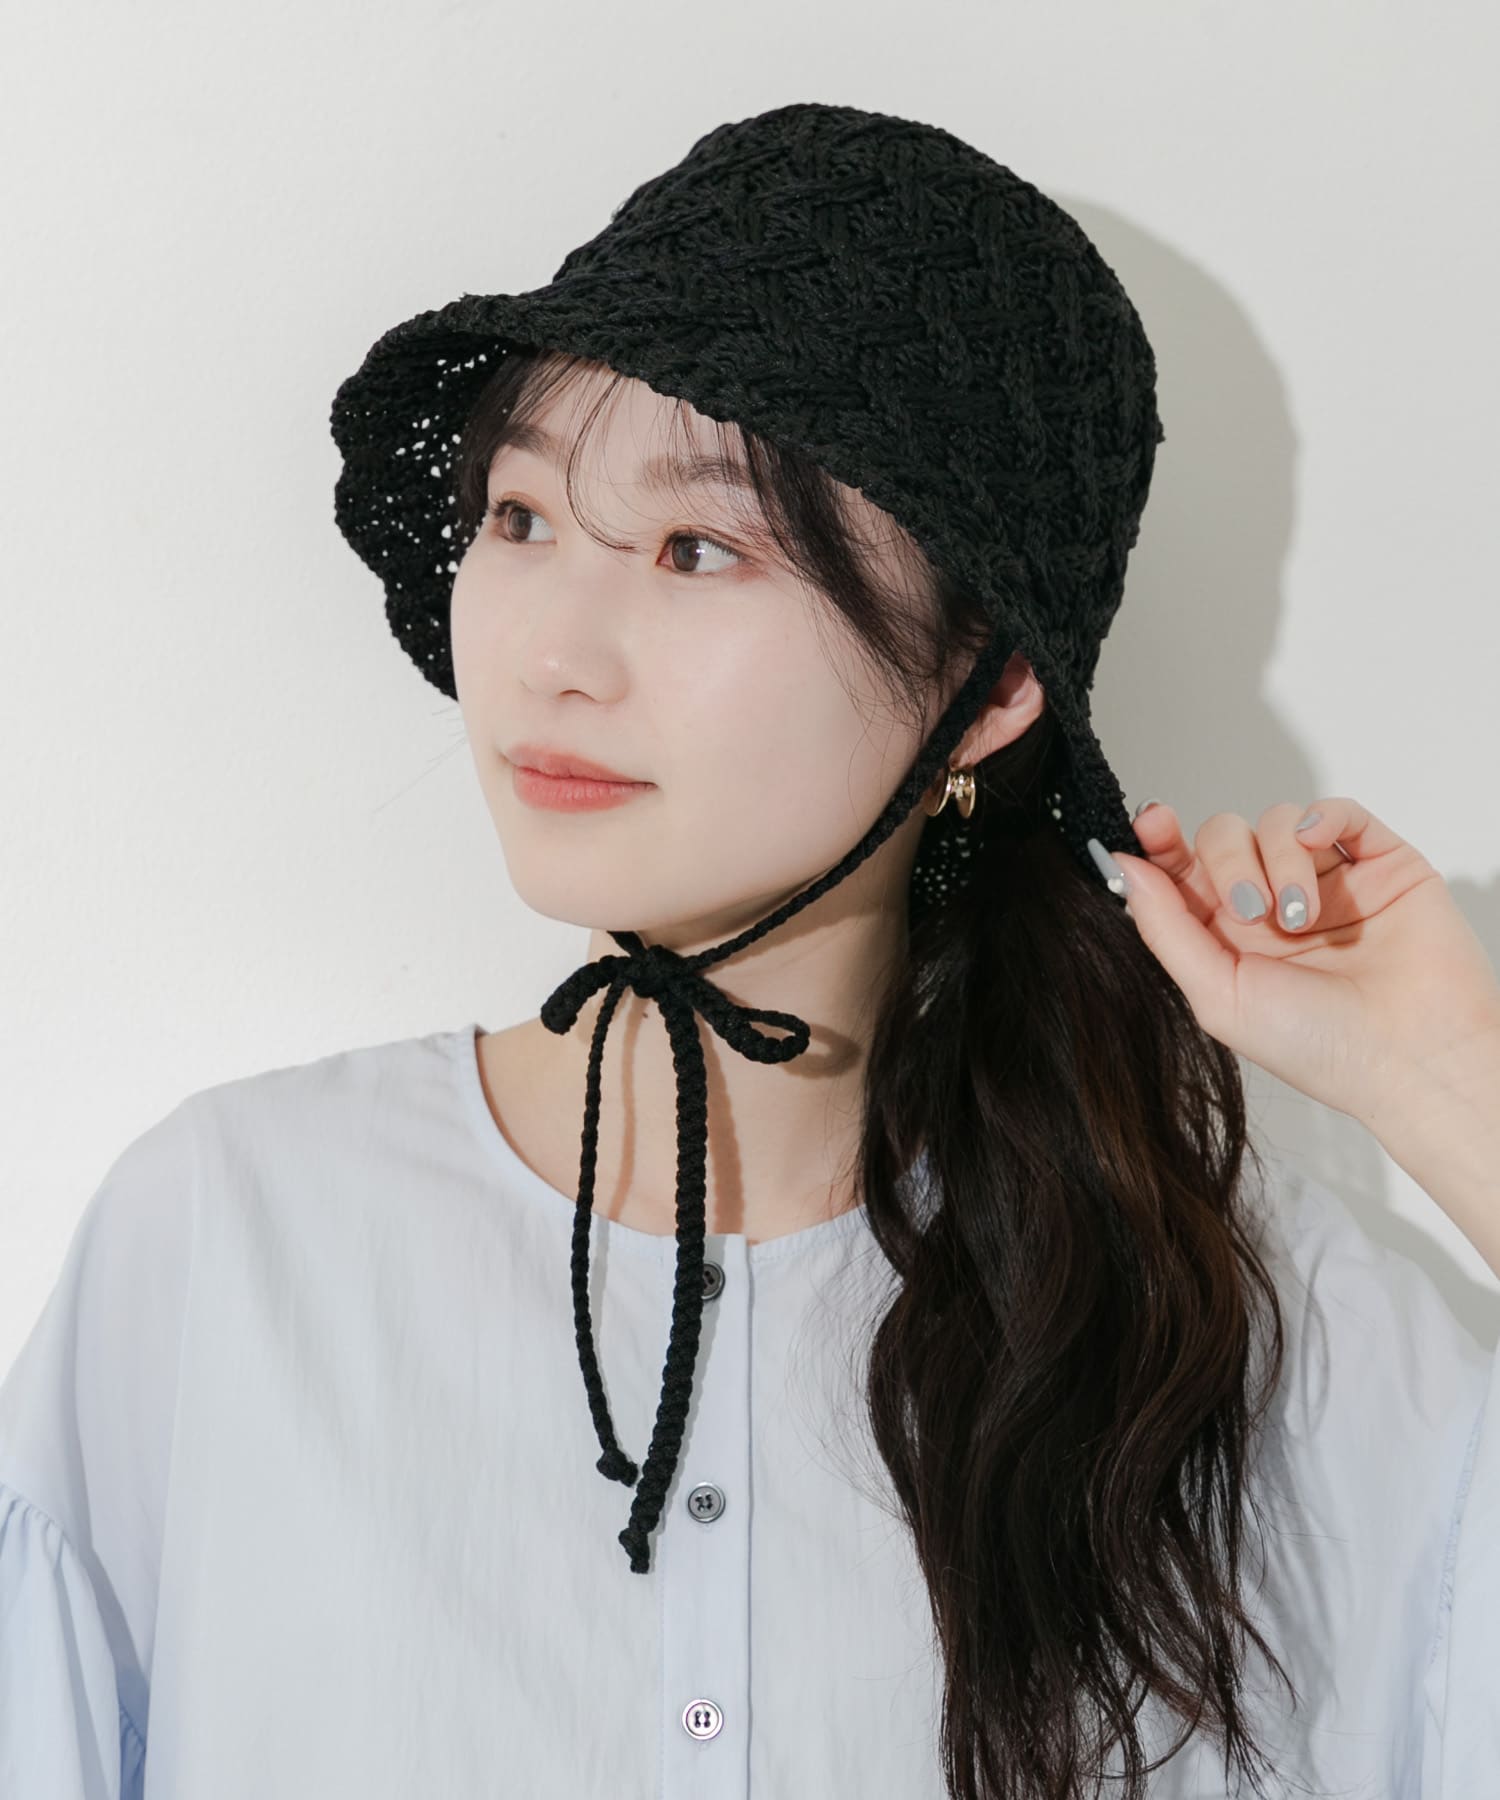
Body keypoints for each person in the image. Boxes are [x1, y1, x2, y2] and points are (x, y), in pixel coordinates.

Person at [3, 102, 1498, 1800]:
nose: (553, 654)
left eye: (696, 549)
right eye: (520, 516)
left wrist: (1450, 1086)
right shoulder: (227, 1244)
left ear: (990, 686)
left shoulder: (1256, 1342)